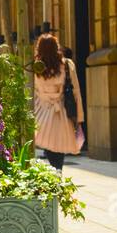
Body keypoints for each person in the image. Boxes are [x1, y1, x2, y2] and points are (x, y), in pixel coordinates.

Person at [33, 33, 84, 171]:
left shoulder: (35, 67)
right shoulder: (66, 65)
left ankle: (54, 172)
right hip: (60, 112)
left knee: (49, 144)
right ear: (57, 47)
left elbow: (33, 91)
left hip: (41, 112)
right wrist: (79, 118)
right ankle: (57, 171)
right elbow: (76, 92)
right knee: (58, 145)